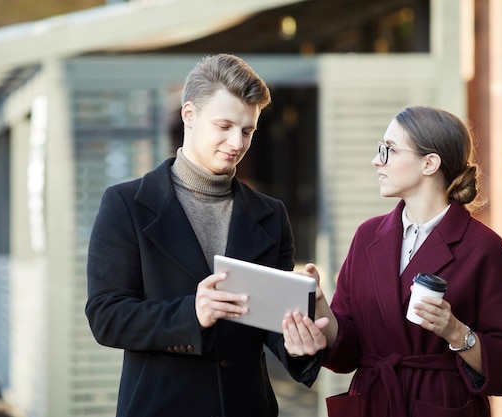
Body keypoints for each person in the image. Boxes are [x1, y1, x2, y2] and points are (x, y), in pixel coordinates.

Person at [85, 53, 327, 417]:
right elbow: (106, 316)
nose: (237, 142)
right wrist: (190, 314)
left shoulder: (271, 215)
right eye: (224, 125)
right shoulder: (126, 204)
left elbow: (271, 327)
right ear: (189, 115)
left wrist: (297, 340)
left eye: (247, 131)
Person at [291, 105, 502, 416]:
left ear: (429, 163)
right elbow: (348, 351)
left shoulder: (483, 247)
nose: (376, 160)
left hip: (441, 403)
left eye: (389, 150)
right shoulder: (367, 236)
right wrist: (320, 304)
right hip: (372, 400)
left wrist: (457, 332)